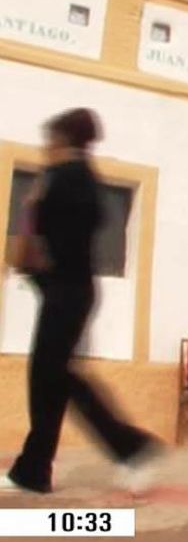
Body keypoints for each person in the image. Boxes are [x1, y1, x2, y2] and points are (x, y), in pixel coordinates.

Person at [3, 109, 160, 494]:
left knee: (55, 377)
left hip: (64, 291)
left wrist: (29, 209)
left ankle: (130, 447)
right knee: (53, 378)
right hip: (75, 290)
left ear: (61, 140)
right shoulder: (88, 179)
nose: (45, 147)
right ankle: (35, 470)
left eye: (49, 140)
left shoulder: (58, 179)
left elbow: (24, 251)